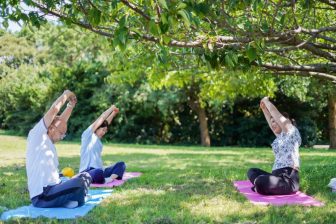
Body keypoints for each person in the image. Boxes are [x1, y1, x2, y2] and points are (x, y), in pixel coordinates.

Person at [26, 90, 92, 208]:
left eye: (64, 134)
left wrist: (71, 105)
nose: (62, 137)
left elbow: (61, 122)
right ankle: (78, 199)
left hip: (55, 187)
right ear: (51, 128)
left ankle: (68, 200)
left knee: (86, 176)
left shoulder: (50, 143)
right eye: (61, 134)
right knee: (79, 182)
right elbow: (54, 111)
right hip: (43, 195)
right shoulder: (37, 136)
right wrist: (66, 94)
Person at [247, 97, 301, 195]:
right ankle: (260, 186)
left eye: (275, 122)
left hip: (288, 180)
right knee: (252, 171)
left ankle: (260, 185)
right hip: (276, 177)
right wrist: (264, 109)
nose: (273, 125)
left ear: (285, 122)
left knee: (260, 180)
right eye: (272, 122)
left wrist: (267, 102)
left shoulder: (292, 132)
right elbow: (270, 120)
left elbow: (276, 114)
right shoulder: (280, 137)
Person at [79, 105, 126, 184]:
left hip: (100, 171)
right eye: (103, 130)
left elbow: (106, 123)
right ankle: (104, 179)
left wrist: (113, 113)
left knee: (121, 164)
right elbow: (102, 118)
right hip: (87, 172)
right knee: (98, 173)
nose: (104, 133)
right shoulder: (87, 136)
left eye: (105, 131)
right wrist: (111, 108)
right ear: (96, 128)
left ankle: (110, 179)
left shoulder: (98, 141)